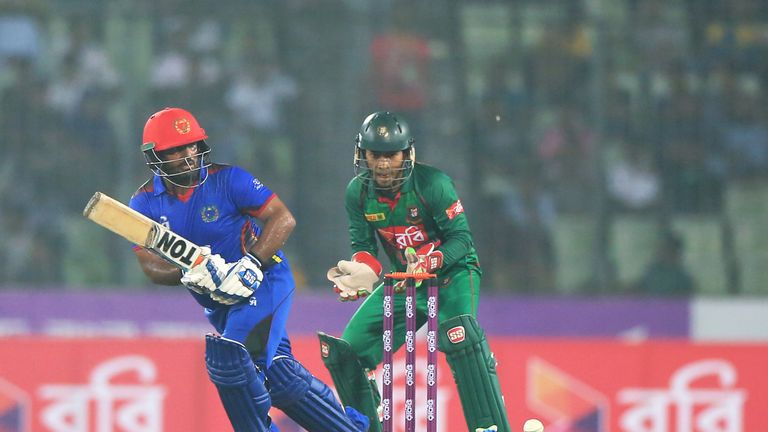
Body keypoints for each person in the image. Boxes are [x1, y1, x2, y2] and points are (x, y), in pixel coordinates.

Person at [129, 107, 368, 432]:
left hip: (264, 282)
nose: (189, 156)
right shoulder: (143, 203)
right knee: (280, 378)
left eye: (193, 146)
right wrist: (187, 271)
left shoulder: (228, 180)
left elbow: (282, 218)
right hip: (219, 304)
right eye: (176, 150)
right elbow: (150, 265)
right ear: (155, 156)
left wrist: (253, 262)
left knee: (231, 359)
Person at [318, 112, 511, 431]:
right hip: (406, 281)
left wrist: (431, 260)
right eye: (374, 155)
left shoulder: (434, 184)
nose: (381, 165)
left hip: (453, 275)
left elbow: (462, 240)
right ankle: (366, 424)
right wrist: (364, 271)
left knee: (460, 338)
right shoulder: (359, 193)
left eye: (390, 155)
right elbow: (364, 245)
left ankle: (490, 427)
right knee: (349, 350)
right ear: (362, 154)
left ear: (406, 154)